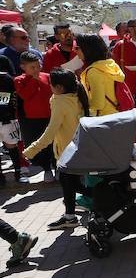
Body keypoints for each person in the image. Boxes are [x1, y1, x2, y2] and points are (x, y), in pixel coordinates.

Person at [23, 69, 90, 230]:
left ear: (59, 87)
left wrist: (31, 150)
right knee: (69, 183)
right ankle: (70, 215)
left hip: (68, 151)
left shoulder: (60, 102)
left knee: (71, 184)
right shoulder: (76, 96)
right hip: (77, 148)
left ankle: (78, 212)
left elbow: (50, 132)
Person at [14, 51, 54, 180]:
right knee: (39, 145)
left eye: (38, 66)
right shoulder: (19, 80)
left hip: (51, 116)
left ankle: (57, 167)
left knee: (54, 144)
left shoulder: (47, 76)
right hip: (32, 119)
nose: (36, 69)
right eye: (32, 67)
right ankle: (47, 169)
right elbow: (25, 95)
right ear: (23, 67)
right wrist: (34, 81)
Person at [77, 33, 127, 117]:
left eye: (77, 48)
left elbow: (98, 104)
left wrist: (80, 104)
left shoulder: (94, 71)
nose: (75, 50)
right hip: (118, 115)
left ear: (87, 49)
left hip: (103, 119)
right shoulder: (110, 64)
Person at [0, 57, 25, 185]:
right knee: (12, 146)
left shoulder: (6, 79)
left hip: (7, 119)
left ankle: (16, 173)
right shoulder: (9, 78)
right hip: (7, 118)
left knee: (11, 146)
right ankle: (17, 173)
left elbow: (5, 100)